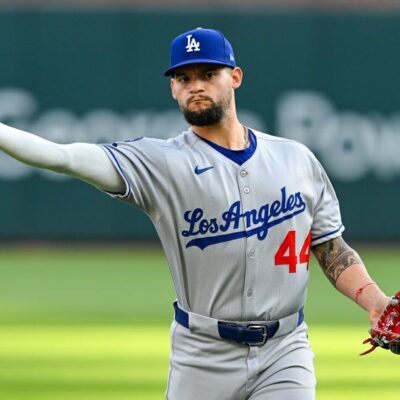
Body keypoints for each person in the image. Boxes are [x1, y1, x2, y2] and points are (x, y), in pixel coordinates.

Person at [0, 27, 390, 400]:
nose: (196, 85)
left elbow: (330, 248)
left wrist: (374, 301)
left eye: (208, 73)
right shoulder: (159, 163)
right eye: (183, 78)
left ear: (235, 77)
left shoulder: (296, 159)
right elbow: (62, 156)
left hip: (285, 350)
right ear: (173, 88)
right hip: (202, 355)